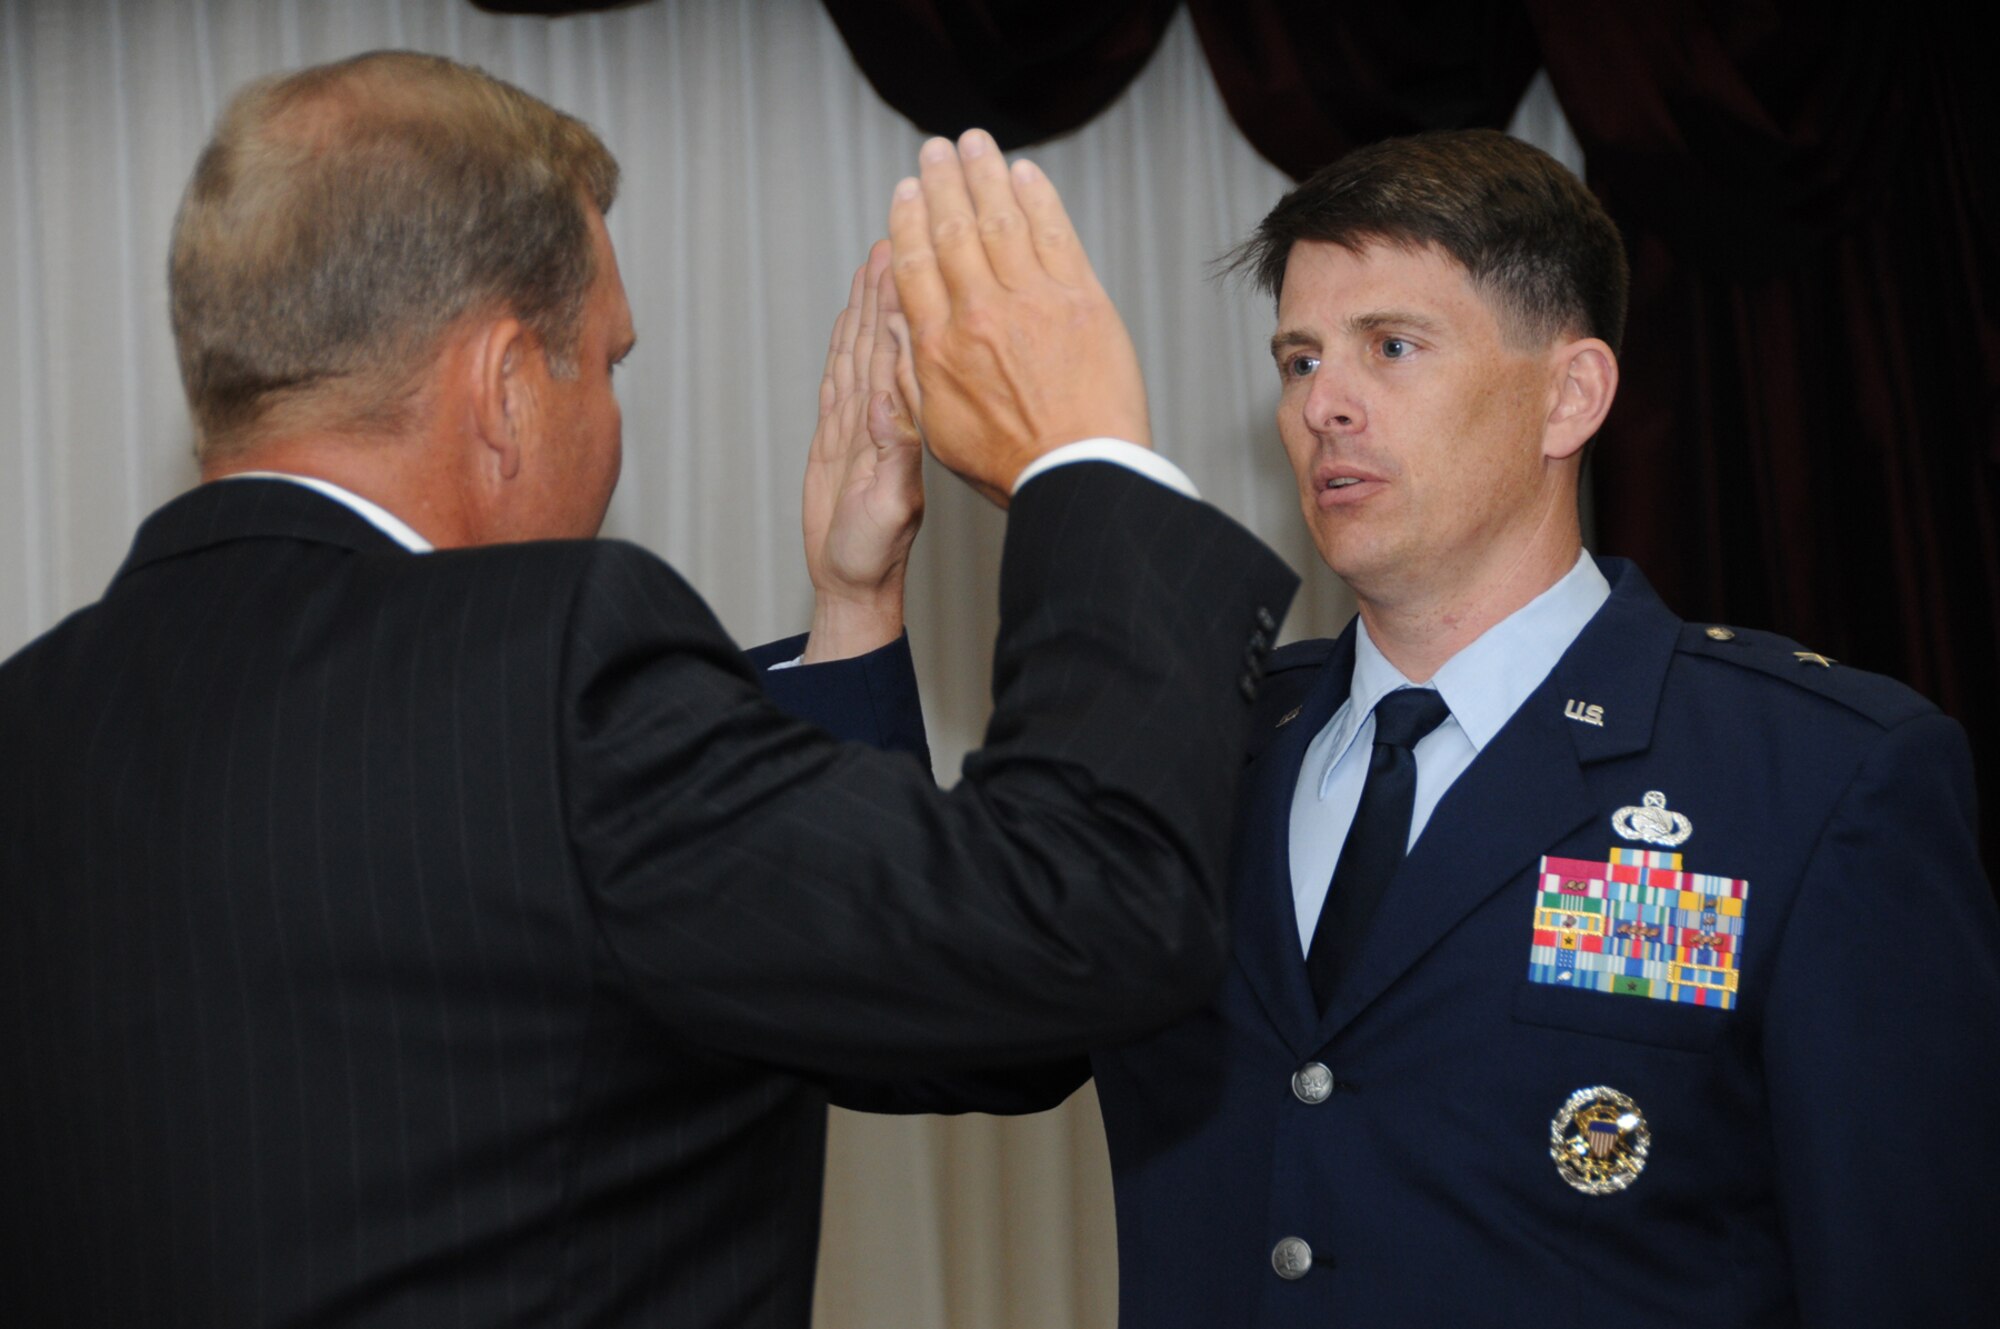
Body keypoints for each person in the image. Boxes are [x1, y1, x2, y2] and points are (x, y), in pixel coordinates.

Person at [0, 52, 1297, 1327]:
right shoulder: (547, 667)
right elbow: (1076, 931)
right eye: (608, 362)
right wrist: (1088, 457)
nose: (615, 413)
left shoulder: (39, 715)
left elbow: (890, 1014)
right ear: (506, 386)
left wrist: (852, 609)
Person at [860, 129, 2000, 1325]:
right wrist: (853, 598)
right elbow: (921, 1022)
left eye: (1388, 348)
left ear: (1569, 395)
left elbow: (1907, 1271)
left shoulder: (1818, 776)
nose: (1323, 407)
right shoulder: (1192, 741)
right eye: (1297, 361)